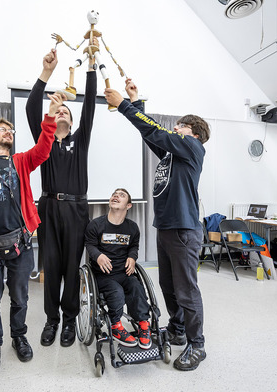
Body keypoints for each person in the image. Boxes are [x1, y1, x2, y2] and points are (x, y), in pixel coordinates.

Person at [104, 80, 210, 371]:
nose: (175, 130)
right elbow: (149, 134)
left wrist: (123, 106)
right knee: (169, 286)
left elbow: (157, 131)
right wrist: (135, 102)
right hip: (166, 228)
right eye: (175, 127)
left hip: (184, 230)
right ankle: (176, 329)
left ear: (195, 134)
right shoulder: (172, 154)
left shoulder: (193, 148)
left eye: (180, 127)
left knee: (187, 290)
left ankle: (197, 344)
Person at [0, 94, 59, 375]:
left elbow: (43, 149)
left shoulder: (21, 161)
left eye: (11, 131)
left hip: (21, 243)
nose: (9, 133)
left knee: (20, 297)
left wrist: (50, 116)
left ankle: (19, 337)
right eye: (3, 130)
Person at [26, 46, 96, 348]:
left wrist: (91, 69)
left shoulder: (80, 140)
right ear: (53, 119)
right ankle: (51, 320)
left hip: (77, 208)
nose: (63, 112)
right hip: (49, 207)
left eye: (67, 110)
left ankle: (69, 320)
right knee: (51, 266)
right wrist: (46, 73)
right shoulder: (45, 143)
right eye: (59, 111)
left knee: (71, 267)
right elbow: (31, 109)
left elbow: (91, 104)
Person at [85, 188, 151, 349]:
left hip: (124, 272)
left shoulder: (132, 228)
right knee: (116, 292)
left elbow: (134, 246)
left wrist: (132, 257)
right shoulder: (96, 225)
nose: (116, 196)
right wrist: (98, 255)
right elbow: (90, 245)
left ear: (128, 206)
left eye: (121, 195)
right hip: (103, 274)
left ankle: (143, 324)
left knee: (136, 287)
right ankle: (116, 326)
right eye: (114, 194)